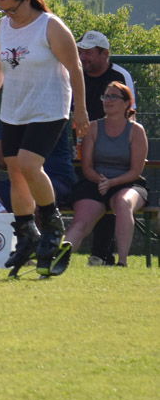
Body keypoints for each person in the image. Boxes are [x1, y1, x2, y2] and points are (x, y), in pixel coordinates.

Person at [0, 0, 88, 276]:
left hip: (49, 108)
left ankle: (53, 226)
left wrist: (81, 109)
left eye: (12, 9)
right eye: (2, 10)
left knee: (29, 164)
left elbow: (75, 67)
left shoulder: (50, 26)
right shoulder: (2, 26)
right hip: (14, 109)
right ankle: (27, 234)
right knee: (15, 170)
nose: (7, 15)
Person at [63, 82, 147, 267]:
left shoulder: (136, 131)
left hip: (128, 183)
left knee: (123, 203)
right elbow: (86, 167)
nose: (108, 100)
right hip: (95, 183)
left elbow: (136, 171)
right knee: (80, 222)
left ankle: (122, 262)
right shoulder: (92, 127)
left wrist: (112, 182)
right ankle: (58, 257)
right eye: (106, 96)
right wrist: (101, 180)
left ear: (127, 103)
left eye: (113, 97)